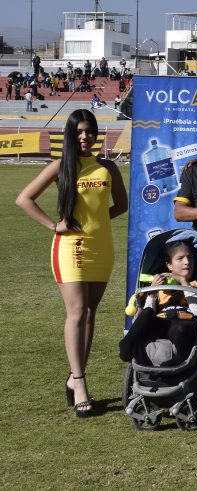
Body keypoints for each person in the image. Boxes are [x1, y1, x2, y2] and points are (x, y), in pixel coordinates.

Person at [16, 109, 128, 416]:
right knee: (77, 312)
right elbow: (24, 199)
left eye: (90, 131)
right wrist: (55, 226)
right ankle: (79, 382)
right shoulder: (60, 166)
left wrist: (96, 224)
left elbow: (122, 204)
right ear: (69, 133)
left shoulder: (107, 167)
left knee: (90, 313)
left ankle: (72, 377)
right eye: (79, 131)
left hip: (102, 248)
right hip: (71, 248)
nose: (85, 136)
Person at [119, 240, 197, 363]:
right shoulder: (160, 283)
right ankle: (126, 342)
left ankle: (180, 359)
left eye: (190, 257)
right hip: (161, 322)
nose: (187, 262)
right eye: (180, 258)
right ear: (169, 265)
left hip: (185, 324)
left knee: (181, 329)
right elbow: (148, 312)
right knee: (147, 312)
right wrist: (153, 292)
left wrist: (183, 282)